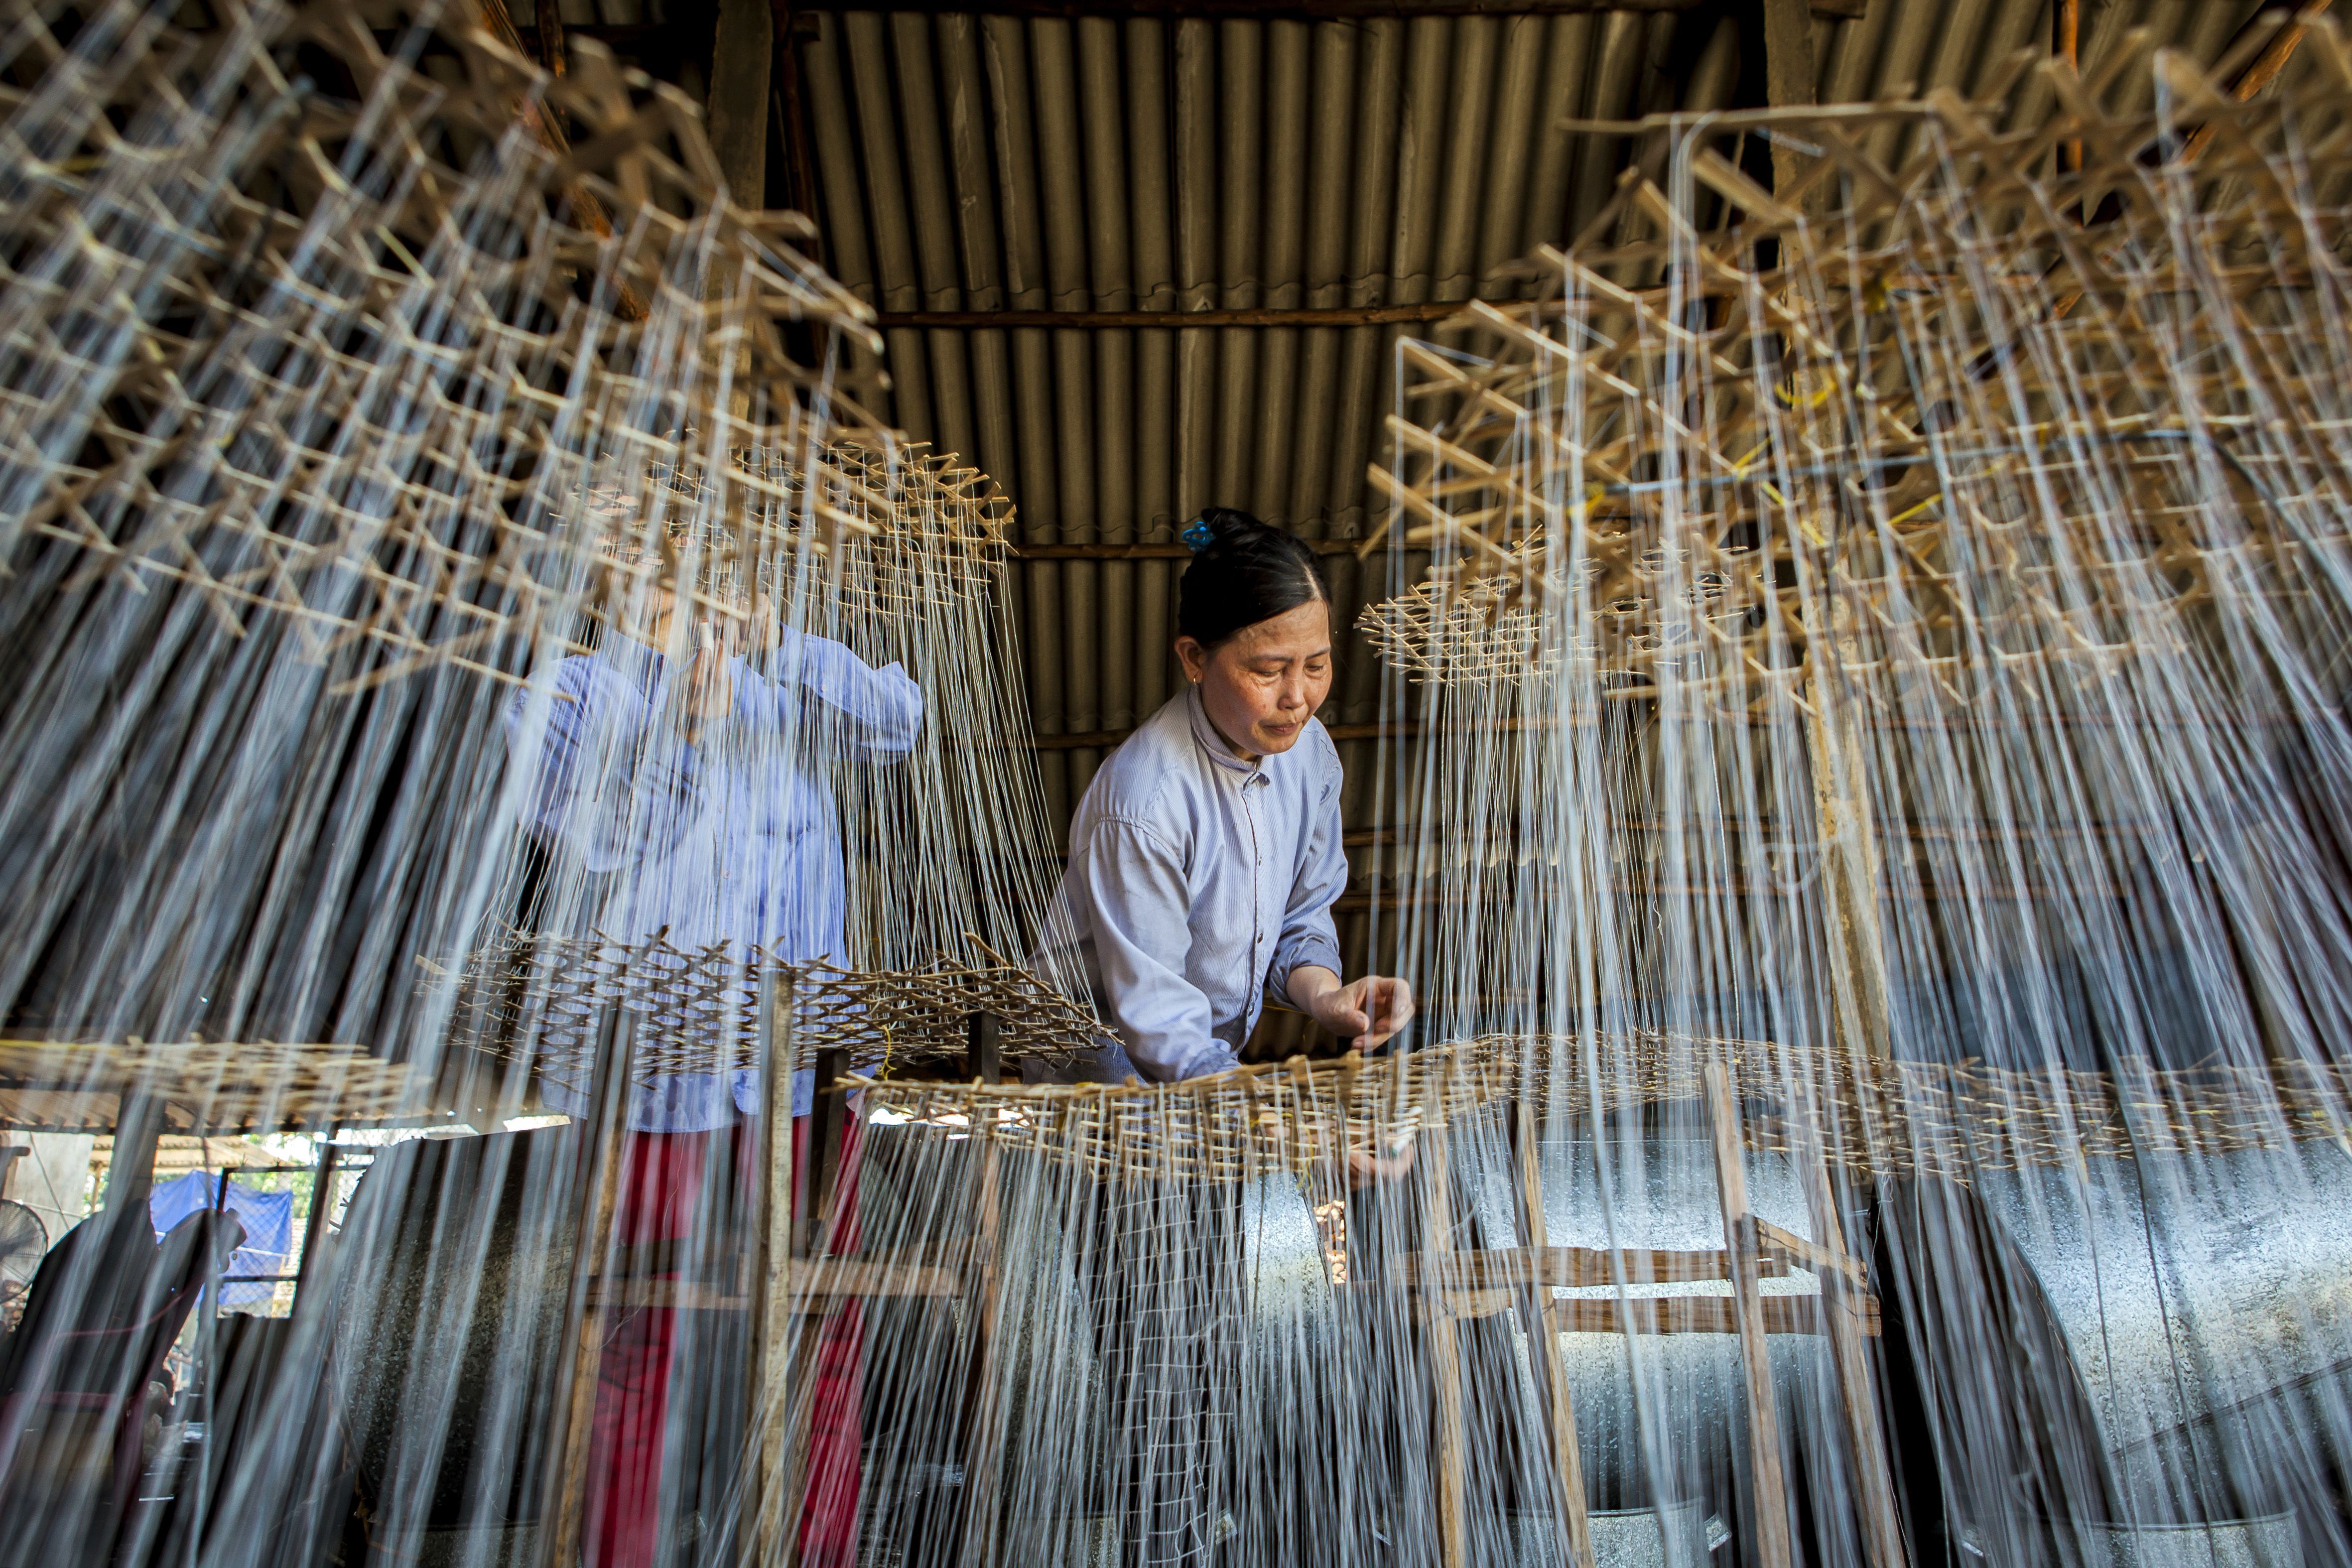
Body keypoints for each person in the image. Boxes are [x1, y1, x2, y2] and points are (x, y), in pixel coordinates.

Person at [505, 517, 922, 1568]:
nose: (657, 553)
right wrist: (684, 733)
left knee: (822, 1327)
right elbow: (600, 840)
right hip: (656, 1082)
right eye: (624, 533)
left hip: (805, 1083)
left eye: (672, 528)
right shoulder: (565, 694)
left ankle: (813, 1550)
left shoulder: (780, 674)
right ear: (588, 556)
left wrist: (779, 643)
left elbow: (899, 725)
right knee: (634, 1335)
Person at [1037, 507, 1412, 1567]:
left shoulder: (1305, 754)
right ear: (1194, 658)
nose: (1297, 695)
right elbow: (1156, 1029)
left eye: (1317, 664)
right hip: (1106, 1084)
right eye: (1267, 669)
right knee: (1151, 1321)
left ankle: (1203, 1520)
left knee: (1206, 1303)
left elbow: (1299, 919)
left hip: (1205, 1074)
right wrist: (1293, 1131)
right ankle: (1171, 1532)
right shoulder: (1140, 800)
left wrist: (1328, 995)